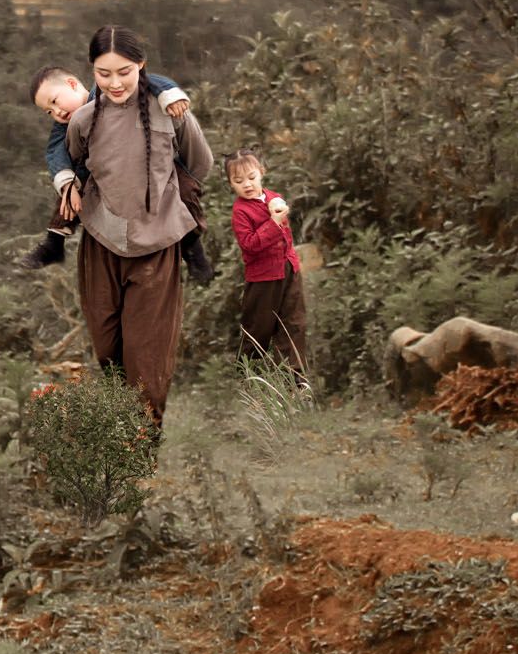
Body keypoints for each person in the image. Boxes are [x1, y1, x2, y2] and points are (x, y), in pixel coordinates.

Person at [60, 23, 214, 423]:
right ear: (91, 71)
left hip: (156, 249)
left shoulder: (171, 113)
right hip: (100, 246)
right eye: (103, 73)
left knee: (146, 360)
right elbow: (76, 165)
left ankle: (142, 455)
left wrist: (167, 202)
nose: (114, 83)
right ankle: (115, 450)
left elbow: (201, 163)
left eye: (124, 71)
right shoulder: (84, 119)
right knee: (108, 352)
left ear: (142, 66)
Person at [25, 61, 210, 283]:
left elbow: (147, 80)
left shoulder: (108, 93)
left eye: (54, 102)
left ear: (72, 84)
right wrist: (66, 182)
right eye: (49, 111)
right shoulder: (64, 126)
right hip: (100, 175)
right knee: (69, 188)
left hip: (151, 163)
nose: (56, 112)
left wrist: (168, 94)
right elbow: (55, 151)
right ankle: (54, 242)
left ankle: (194, 251)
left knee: (184, 189)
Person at [228, 150, 311, 387]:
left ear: (261, 173)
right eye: (238, 181)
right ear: (231, 184)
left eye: (251, 177)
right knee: (258, 329)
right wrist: (272, 222)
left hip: (289, 272)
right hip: (263, 279)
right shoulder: (241, 212)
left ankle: (294, 383)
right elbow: (251, 245)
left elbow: (286, 237)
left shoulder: (274, 198)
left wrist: (292, 261)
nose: (247, 185)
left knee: (294, 324)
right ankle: (249, 381)